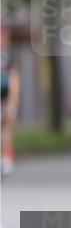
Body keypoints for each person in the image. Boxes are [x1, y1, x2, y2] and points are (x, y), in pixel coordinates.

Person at [1, 25, 21, 176]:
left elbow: (15, 78)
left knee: (8, 123)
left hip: (6, 91)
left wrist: (13, 103)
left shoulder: (10, 53)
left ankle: (7, 156)